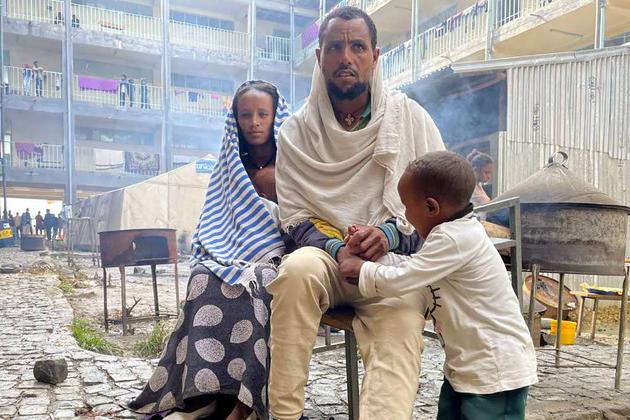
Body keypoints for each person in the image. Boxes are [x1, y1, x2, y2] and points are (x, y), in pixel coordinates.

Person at [269, 6, 444, 419]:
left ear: (375, 56)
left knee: (402, 322)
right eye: (335, 47)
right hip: (327, 260)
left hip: (393, 266)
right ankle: (284, 414)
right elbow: (294, 219)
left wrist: (387, 236)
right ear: (319, 57)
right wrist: (338, 250)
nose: (345, 57)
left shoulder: (408, 118)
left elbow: (439, 207)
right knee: (295, 273)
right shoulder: (296, 132)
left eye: (357, 47)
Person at [128, 80, 291, 420]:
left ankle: (244, 402)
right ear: (235, 120)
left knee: (257, 281)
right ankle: (204, 393)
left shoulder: (293, 164)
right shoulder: (230, 166)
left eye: (263, 114)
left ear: (276, 116)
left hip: (279, 255)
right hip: (232, 251)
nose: (254, 122)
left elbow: (303, 218)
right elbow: (215, 216)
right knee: (203, 276)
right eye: (245, 115)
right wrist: (217, 249)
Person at [339, 151, 538, 420]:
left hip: (495, 373)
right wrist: (374, 257)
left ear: (431, 207)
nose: (405, 215)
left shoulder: (455, 238)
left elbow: (404, 277)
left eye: (406, 207)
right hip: (466, 369)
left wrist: (362, 269)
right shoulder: (449, 234)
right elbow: (417, 266)